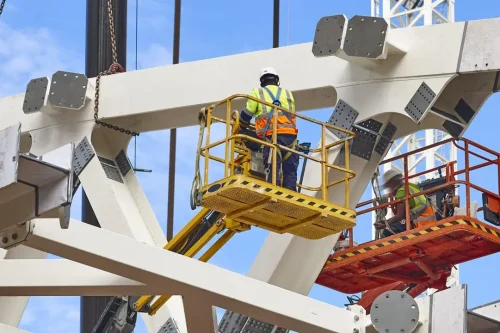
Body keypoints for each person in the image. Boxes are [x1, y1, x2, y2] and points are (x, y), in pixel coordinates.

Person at [239, 67, 299, 191]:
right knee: (290, 171)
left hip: (272, 137)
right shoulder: (288, 94)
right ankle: (291, 195)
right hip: (291, 138)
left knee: (273, 169)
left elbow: (247, 114)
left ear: (262, 82)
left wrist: (240, 124)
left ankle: (273, 194)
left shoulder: (257, 92)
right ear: (277, 80)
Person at [374, 169, 437, 238]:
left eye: (389, 186)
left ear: (393, 183)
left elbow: (399, 216)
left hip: (420, 225)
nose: (389, 189)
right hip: (430, 222)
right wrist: (387, 221)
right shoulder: (410, 186)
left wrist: (385, 225)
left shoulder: (401, 191)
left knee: (387, 232)